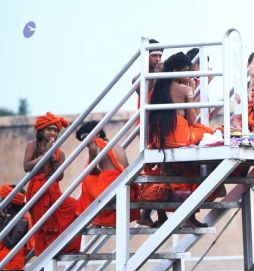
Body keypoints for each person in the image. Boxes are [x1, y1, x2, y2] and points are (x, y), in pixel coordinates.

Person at [145, 52, 217, 227]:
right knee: (209, 133)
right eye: (187, 71)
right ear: (176, 71)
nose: (190, 74)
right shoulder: (184, 89)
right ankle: (188, 217)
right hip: (179, 137)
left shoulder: (157, 89)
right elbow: (191, 120)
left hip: (160, 139)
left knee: (169, 172)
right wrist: (190, 90)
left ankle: (168, 216)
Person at [23, 112, 81, 255]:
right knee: (42, 225)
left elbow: (59, 176)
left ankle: (66, 247)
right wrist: (45, 155)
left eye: (55, 130)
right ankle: (44, 255)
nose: (53, 133)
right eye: (49, 129)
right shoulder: (32, 145)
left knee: (75, 207)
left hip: (54, 191)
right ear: (41, 130)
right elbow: (26, 166)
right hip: (37, 191)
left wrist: (53, 156)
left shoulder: (60, 153)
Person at [75, 121, 138, 227]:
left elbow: (91, 170)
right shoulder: (117, 146)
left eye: (85, 137)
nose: (84, 143)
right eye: (82, 140)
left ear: (97, 134)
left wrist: (101, 171)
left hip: (110, 186)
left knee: (87, 179)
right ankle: (107, 220)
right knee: (96, 182)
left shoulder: (94, 146)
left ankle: (95, 221)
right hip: (126, 186)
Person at [0, 184, 35, 270]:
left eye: (2, 200)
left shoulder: (22, 221)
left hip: (11, 266)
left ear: (10, 204)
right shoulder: (7, 217)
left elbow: (10, 244)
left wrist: (2, 223)